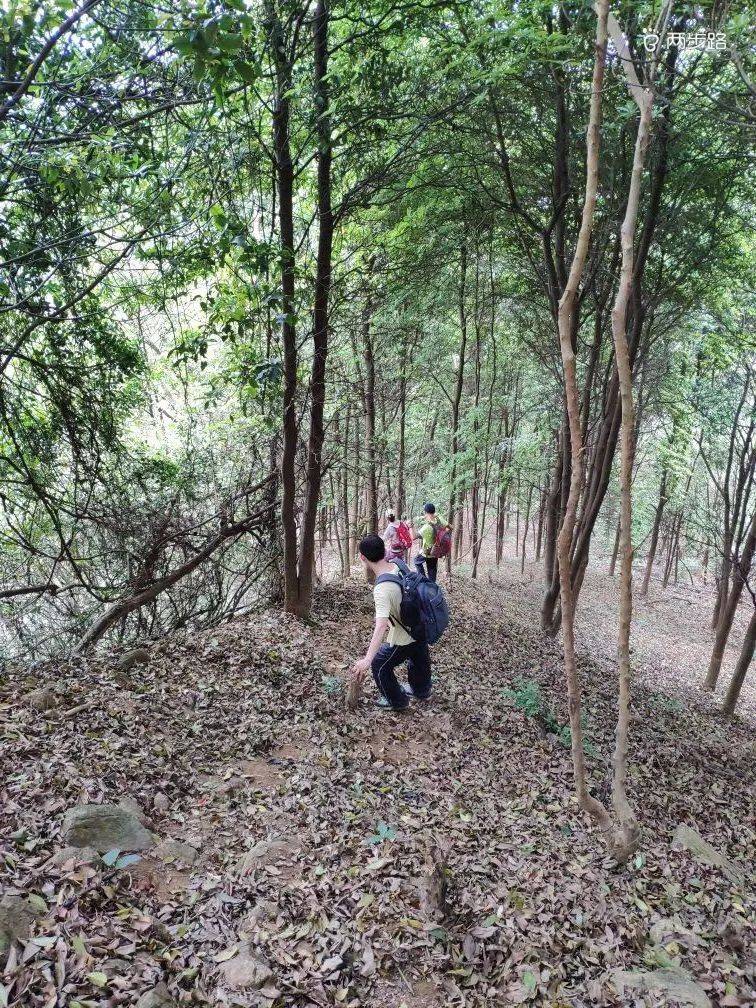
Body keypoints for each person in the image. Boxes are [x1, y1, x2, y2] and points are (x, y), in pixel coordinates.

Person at [351, 533, 431, 711]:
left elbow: (381, 626)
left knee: (379, 664)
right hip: (421, 623)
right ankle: (422, 690)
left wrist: (367, 659)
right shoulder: (398, 564)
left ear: (363, 558)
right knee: (419, 656)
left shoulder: (381, 589)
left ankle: (398, 701)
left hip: (405, 635)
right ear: (384, 550)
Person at [414, 502, 450, 583]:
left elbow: (413, 537)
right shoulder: (439, 519)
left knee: (416, 561)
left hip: (426, 552)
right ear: (434, 511)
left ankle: (423, 579)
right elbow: (450, 527)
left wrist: (410, 527)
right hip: (436, 551)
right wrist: (443, 532)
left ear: (426, 512)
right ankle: (432, 587)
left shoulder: (426, 527)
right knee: (432, 571)